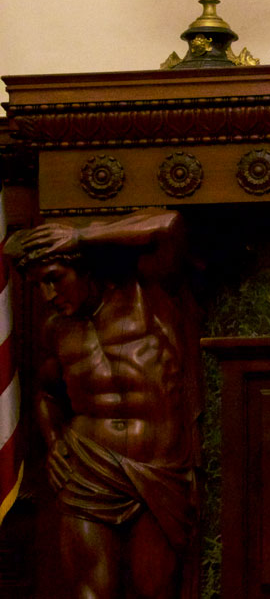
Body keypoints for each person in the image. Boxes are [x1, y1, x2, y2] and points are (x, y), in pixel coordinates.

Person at [4, 208, 201, 599]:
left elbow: (170, 226)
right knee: (90, 593)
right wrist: (55, 440)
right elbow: (46, 394)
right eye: (38, 286)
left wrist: (79, 237)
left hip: (155, 471)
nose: (48, 295)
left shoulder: (145, 293)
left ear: (83, 267)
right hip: (87, 469)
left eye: (54, 280)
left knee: (156, 591)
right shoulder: (55, 329)